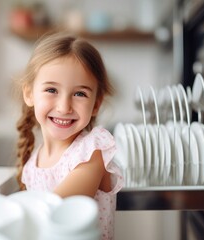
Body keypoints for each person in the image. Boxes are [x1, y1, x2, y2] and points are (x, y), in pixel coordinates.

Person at [14, 31, 124, 240]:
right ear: (29, 94)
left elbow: (57, 210)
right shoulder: (32, 164)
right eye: (52, 90)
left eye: (79, 94)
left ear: (96, 105)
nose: (64, 107)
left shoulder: (92, 152)